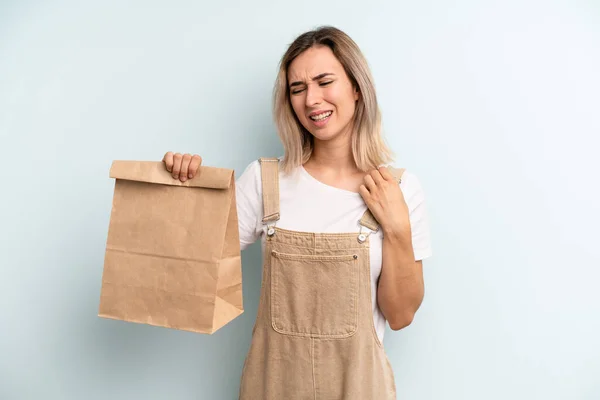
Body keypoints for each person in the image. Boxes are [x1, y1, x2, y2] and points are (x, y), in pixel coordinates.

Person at [162, 26, 431, 400]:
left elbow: (400, 316)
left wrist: (398, 227)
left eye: (324, 82)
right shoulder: (264, 180)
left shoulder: (399, 190)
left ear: (356, 87)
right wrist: (182, 188)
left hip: (358, 388)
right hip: (273, 387)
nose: (311, 100)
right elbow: (193, 267)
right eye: (298, 89)